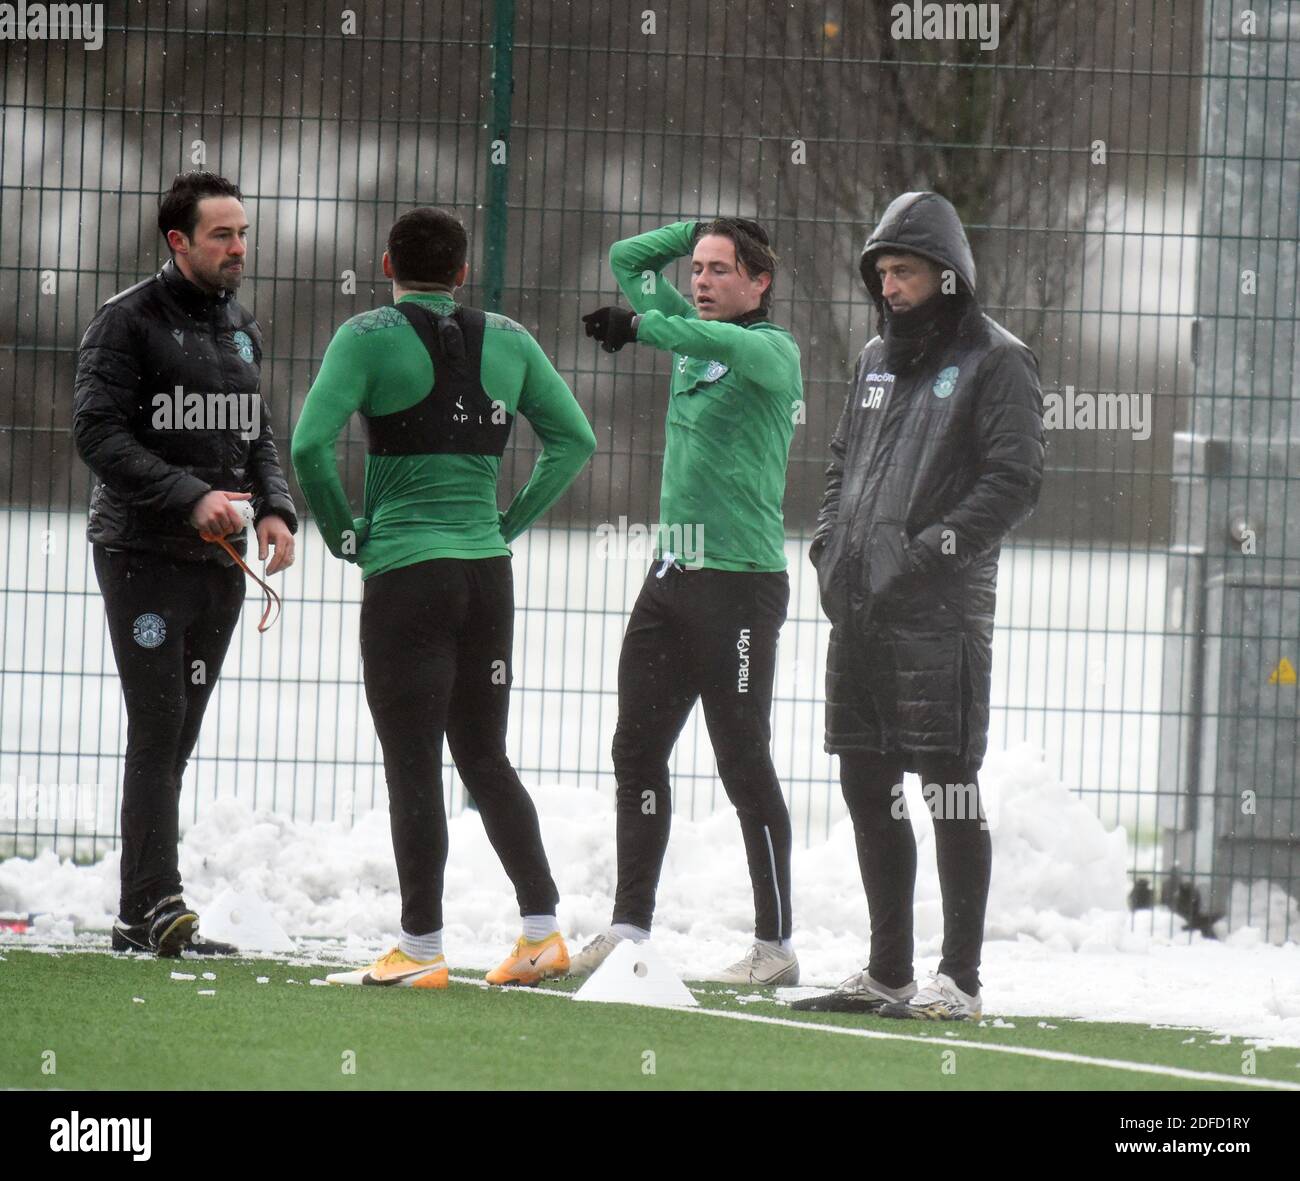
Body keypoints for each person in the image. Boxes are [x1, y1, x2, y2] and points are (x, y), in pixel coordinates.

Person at [293, 208, 596, 989]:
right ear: (463, 272)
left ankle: (421, 948)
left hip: (406, 576)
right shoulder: (513, 337)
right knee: (486, 757)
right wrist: (509, 522)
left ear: (386, 260)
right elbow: (575, 441)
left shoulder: (365, 337)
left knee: (413, 763)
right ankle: (540, 931)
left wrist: (342, 532)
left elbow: (306, 445)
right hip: (486, 578)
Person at [797, 191, 1045, 1020]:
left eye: (905, 271)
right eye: (882, 272)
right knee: (867, 785)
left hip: (943, 620)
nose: (890, 285)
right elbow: (840, 461)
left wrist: (931, 549)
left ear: (948, 275)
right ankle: (888, 971)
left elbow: (1014, 479)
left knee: (950, 790)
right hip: (860, 610)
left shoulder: (997, 359)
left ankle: (961, 980)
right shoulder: (871, 357)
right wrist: (830, 547)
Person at [73, 171, 298, 957]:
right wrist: (188, 493)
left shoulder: (240, 324)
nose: (240, 249)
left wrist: (275, 505)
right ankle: (154, 903)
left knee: (179, 733)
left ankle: (144, 911)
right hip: (141, 554)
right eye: (222, 236)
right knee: (159, 723)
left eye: (243, 233)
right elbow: (98, 437)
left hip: (219, 563)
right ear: (178, 241)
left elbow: (256, 428)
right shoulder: (125, 322)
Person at [575, 217, 803, 985]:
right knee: (636, 750)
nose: (702, 281)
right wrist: (697, 226)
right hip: (672, 577)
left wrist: (645, 324)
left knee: (743, 761)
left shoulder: (771, 351)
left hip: (741, 585)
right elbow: (624, 258)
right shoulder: (686, 330)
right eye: (697, 268)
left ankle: (775, 946)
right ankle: (629, 926)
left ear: (760, 282)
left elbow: (722, 345)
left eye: (720, 269)